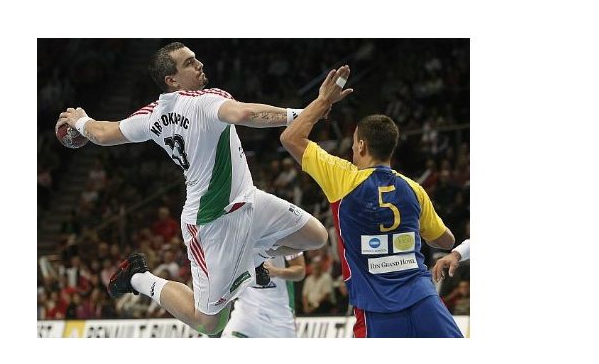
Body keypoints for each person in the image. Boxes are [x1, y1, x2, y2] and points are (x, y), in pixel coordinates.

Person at [54, 42, 328, 335]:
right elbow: (245, 114)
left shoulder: (152, 114)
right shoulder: (205, 101)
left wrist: (81, 121)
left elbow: (104, 133)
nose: (199, 64)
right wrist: (306, 113)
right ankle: (138, 277)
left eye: (195, 59)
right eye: (189, 63)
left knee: (316, 237)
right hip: (212, 221)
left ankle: (253, 256)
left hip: (248, 199)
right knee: (209, 323)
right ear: (171, 80)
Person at [279, 65, 463, 338]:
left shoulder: (342, 178)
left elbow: (290, 137)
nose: (352, 148)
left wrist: (324, 100)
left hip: (376, 311)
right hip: (424, 301)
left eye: (354, 143)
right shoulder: (414, 189)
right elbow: (446, 241)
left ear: (362, 146)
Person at [222, 251, 305, 338]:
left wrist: (275, 271)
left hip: (279, 318)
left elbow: (300, 271)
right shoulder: (235, 244)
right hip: (245, 314)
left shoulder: (285, 242)